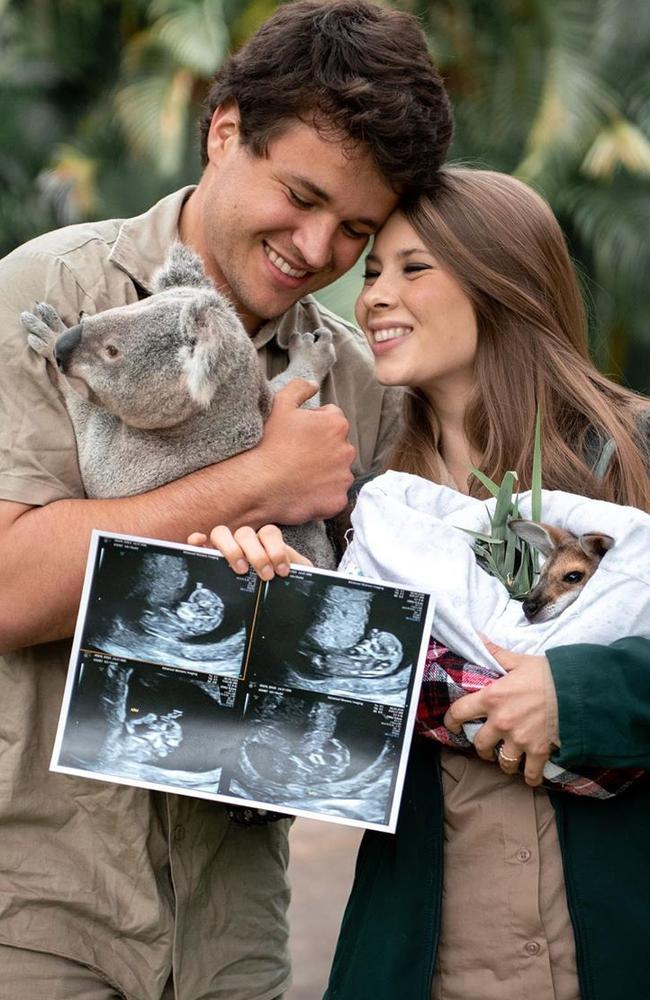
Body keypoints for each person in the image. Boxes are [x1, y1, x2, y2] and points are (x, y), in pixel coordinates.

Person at [0, 2, 453, 997]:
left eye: (355, 230)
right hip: (38, 916)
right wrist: (258, 479)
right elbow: (5, 588)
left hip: (234, 932)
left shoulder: (362, 384)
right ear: (223, 130)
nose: (316, 247)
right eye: (299, 195)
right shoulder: (54, 294)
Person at [207, 168, 650, 1000]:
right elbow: (293, 769)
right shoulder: (363, 507)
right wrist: (279, 626)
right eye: (372, 271)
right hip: (430, 963)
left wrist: (581, 694)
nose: (373, 296)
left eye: (414, 268)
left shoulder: (632, 455)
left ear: (503, 280)